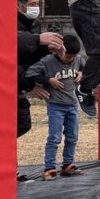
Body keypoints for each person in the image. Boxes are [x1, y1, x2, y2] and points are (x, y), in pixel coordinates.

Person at [26, 34, 84, 181]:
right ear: (59, 50)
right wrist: (48, 80)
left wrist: (82, 73)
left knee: (73, 136)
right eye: (68, 56)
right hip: (56, 106)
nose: (71, 59)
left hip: (72, 105)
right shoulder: (47, 61)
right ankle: (49, 167)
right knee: (54, 138)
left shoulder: (77, 59)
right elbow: (30, 72)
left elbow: (84, 66)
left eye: (73, 56)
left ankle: (68, 164)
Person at [16, 0, 63, 139]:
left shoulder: (34, 24)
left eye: (38, 4)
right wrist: (30, 85)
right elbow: (12, 50)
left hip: (20, 83)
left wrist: (47, 49)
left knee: (23, 123)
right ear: (18, 5)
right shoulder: (8, 22)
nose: (36, 8)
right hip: (11, 83)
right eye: (32, 4)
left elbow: (30, 57)